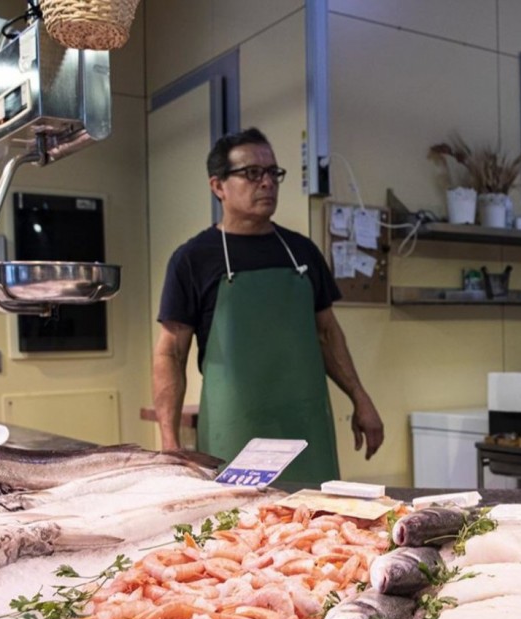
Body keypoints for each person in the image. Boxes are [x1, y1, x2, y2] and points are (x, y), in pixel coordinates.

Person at [153, 127, 383, 483]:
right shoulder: (193, 259)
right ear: (218, 186)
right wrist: (169, 441)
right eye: (252, 173)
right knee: (238, 528)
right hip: (233, 431)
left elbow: (327, 335)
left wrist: (360, 398)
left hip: (305, 428)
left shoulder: (302, 252)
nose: (267, 183)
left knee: (316, 525)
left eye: (273, 172)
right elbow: (171, 353)